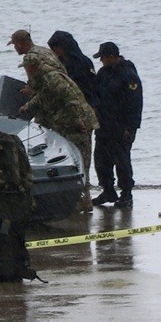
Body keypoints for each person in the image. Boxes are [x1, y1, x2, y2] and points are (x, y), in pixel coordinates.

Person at [17, 53, 99, 213]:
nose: (26, 72)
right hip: (67, 123)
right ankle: (79, 198)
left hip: (78, 124)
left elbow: (72, 100)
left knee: (80, 159)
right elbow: (42, 97)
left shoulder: (53, 79)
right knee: (73, 158)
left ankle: (84, 199)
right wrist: (26, 108)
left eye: (26, 68)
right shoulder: (45, 79)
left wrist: (78, 121)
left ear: (32, 67)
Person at [91, 41, 143, 208]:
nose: (101, 61)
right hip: (104, 125)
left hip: (122, 127)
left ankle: (126, 194)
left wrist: (131, 127)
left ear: (111, 56)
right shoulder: (103, 73)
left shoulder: (128, 74)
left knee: (122, 161)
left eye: (103, 57)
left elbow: (135, 103)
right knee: (100, 160)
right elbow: (95, 94)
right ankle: (108, 191)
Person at [47, 31, 99, 110]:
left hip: (84, 103)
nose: (55, 50)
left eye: (57, 46)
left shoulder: (83, 62)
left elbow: (92, 85)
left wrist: (94, 105)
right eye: (53, 47)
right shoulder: (56, 63)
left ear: (65, 46)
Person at [8, 29, 65, 98]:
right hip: (65, 88)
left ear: (19, 44)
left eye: (14, 44)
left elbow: (35, 88)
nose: (14, 47)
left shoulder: (29, 58)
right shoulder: (46, 50)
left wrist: (29, 92)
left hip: (53, 95)